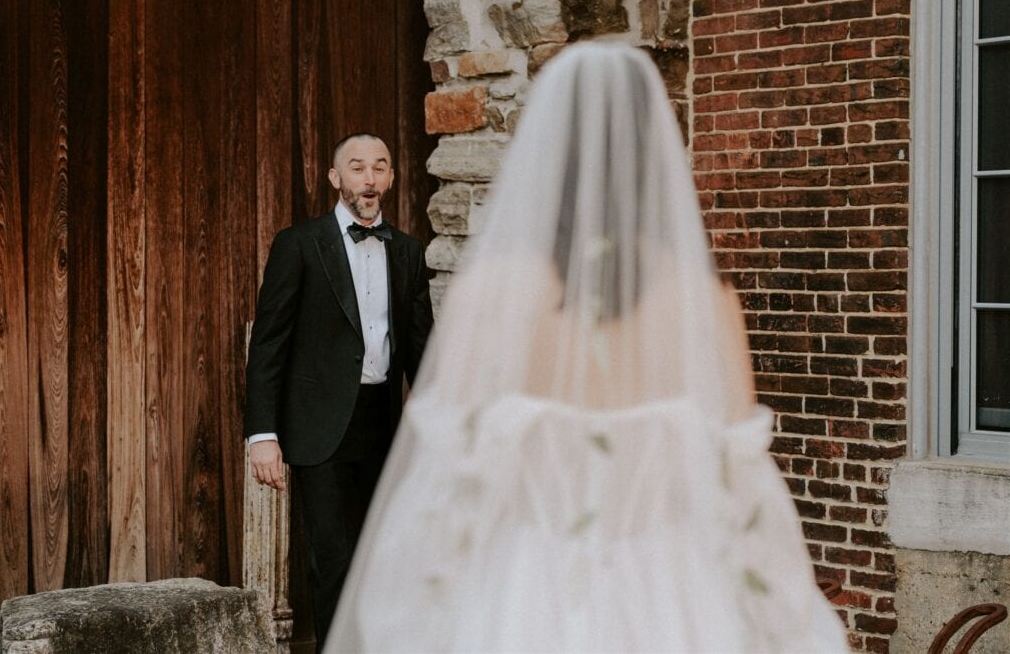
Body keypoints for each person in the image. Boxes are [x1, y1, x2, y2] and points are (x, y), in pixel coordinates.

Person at [326, 45, 848, 652]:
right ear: (654, 153)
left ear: (544, 154)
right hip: (670, 594)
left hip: (525, 591)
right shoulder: (706, 302)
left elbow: (449, 484)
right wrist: (778, 617)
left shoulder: (490, 295)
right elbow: (742, 491)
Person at [243, 133, 433, 650]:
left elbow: (423, 352)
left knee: (381, 558)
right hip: (318, 427)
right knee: (334, 560)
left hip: (383, 427)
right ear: (336, 178)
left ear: (391, 177)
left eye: (380, 168)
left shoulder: (410, 252)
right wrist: (262, 433)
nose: (369, 179)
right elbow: (268, 345)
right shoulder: (298, 244)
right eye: (357, 168)